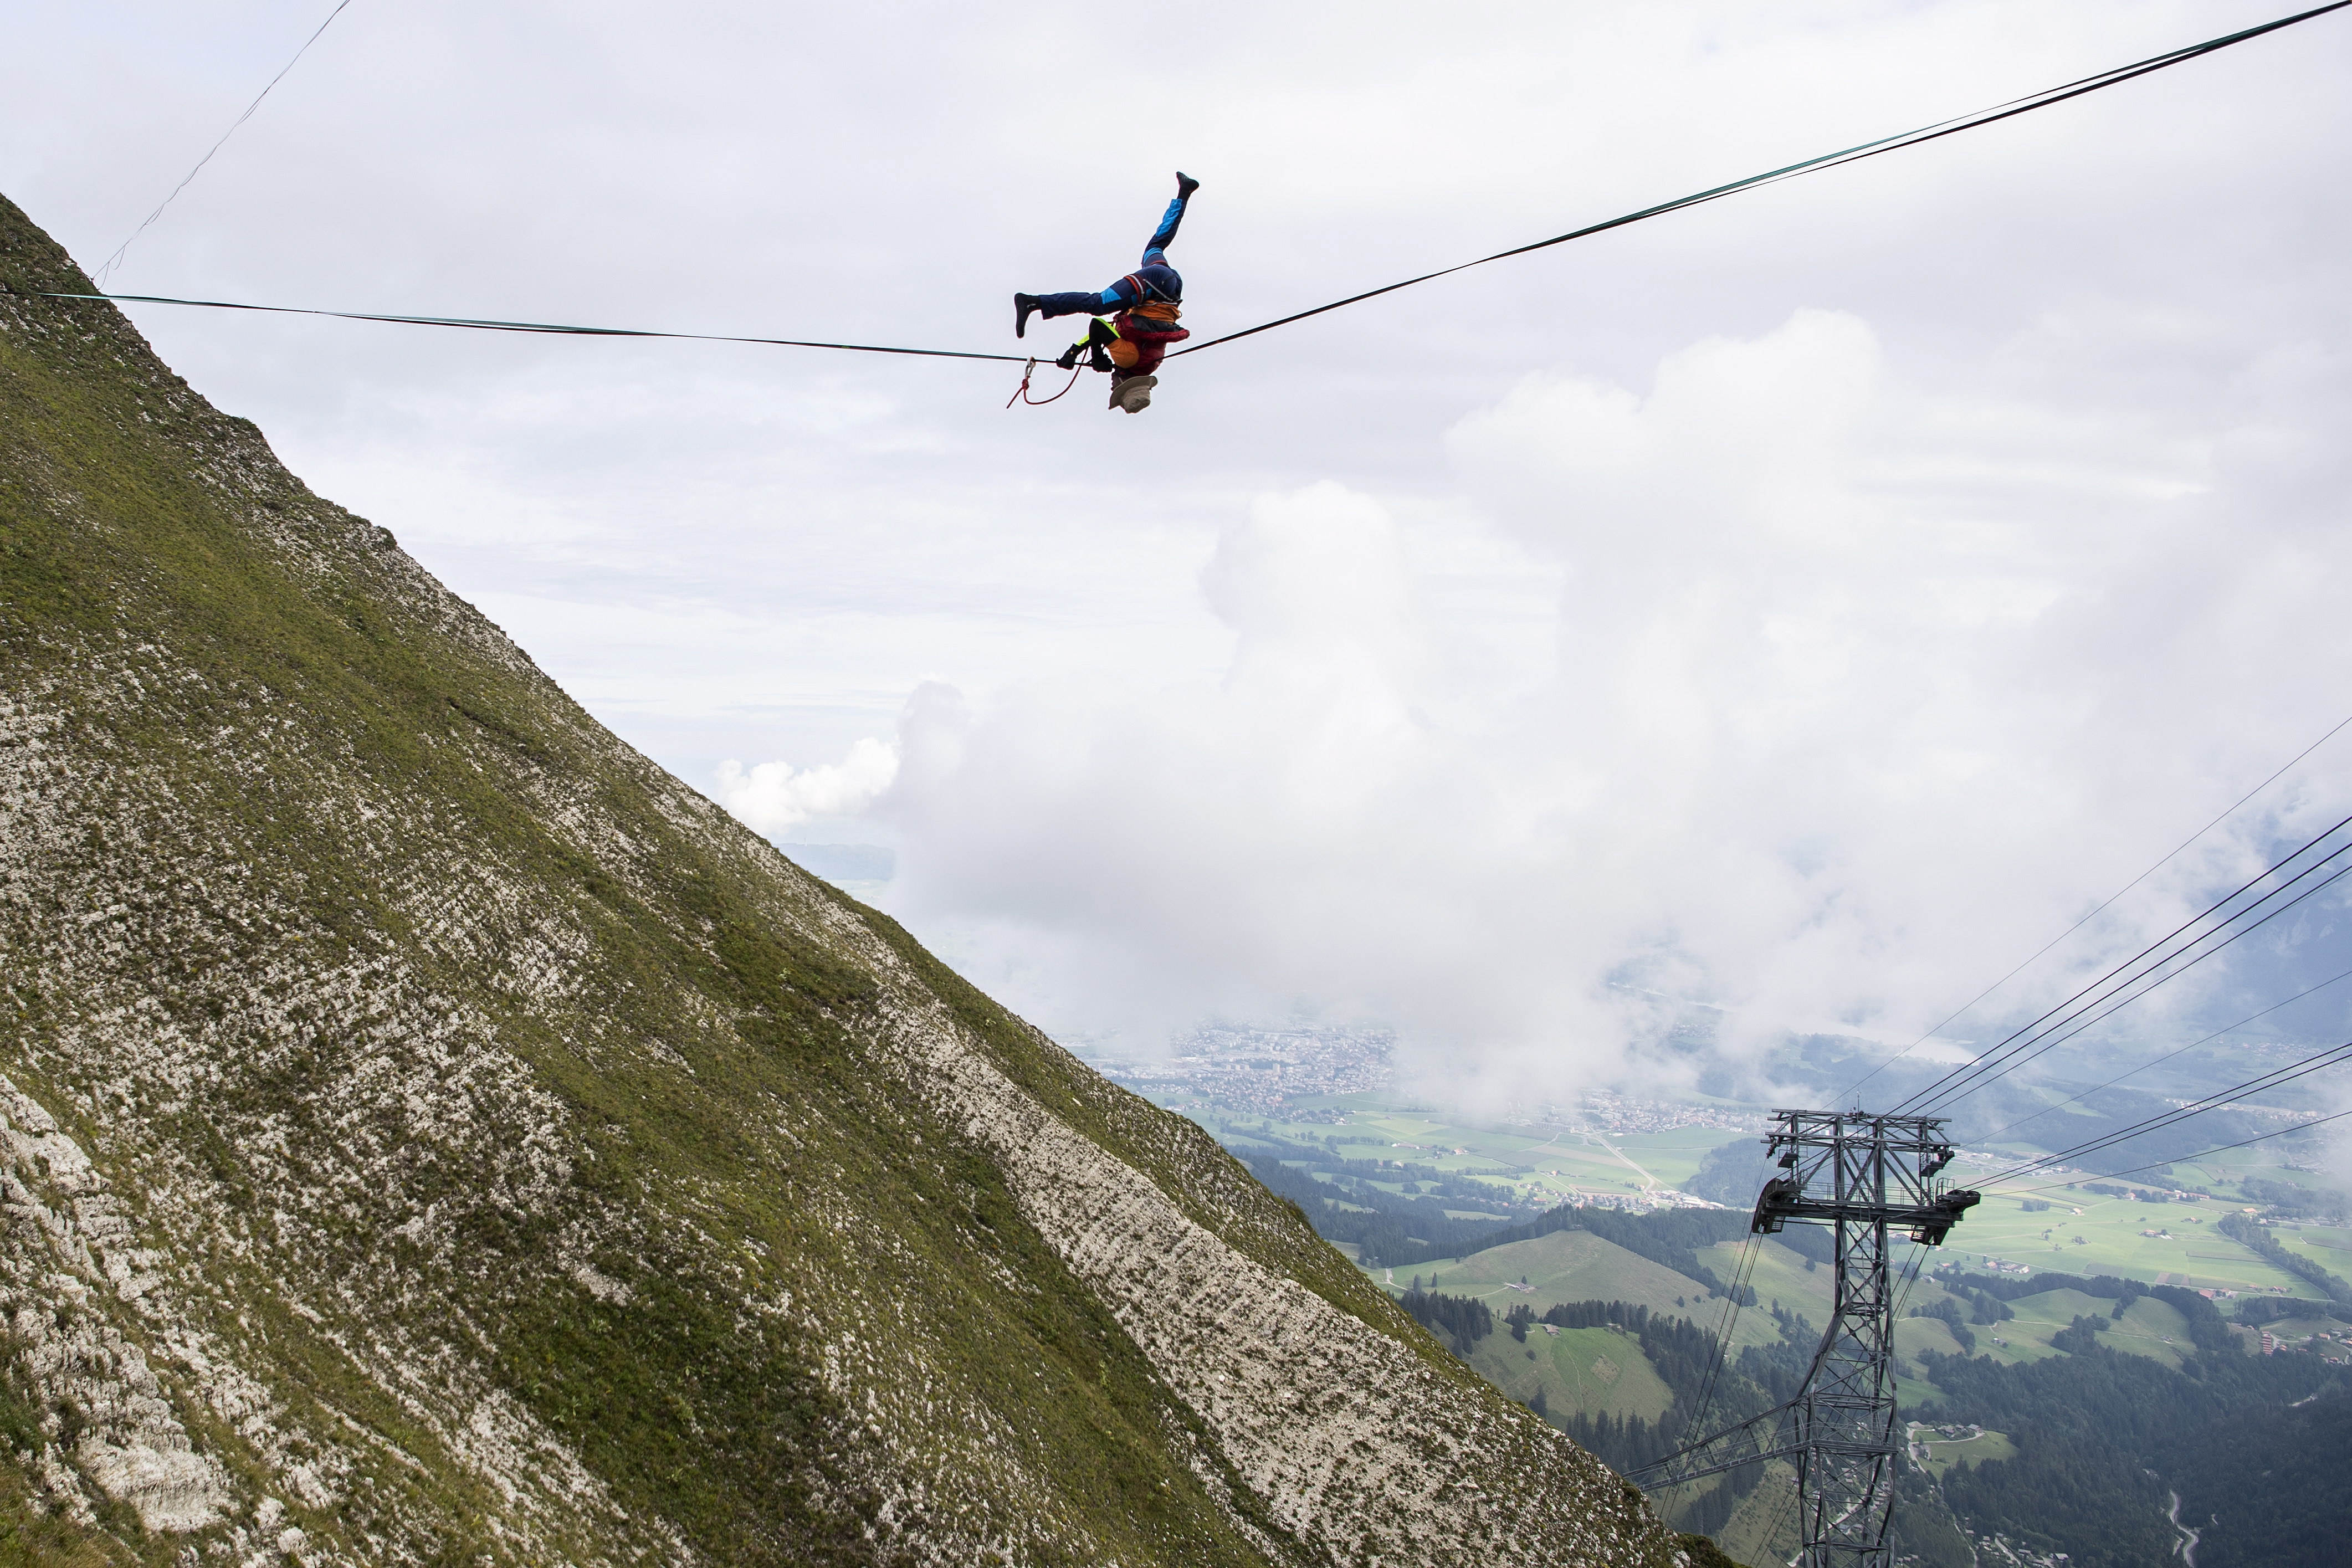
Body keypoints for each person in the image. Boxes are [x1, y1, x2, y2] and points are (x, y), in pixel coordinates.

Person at [1015, 172, 1198, 412]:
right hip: (1157, 288)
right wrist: (1098, 356)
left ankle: (1184, 193)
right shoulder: (1127, 361)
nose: (1113, 384)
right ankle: (1033, 303)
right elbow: (1098, 326)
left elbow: (1111, 332)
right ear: (1125, 381)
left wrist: (1074, 351)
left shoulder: (1146, 364)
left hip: (1170, 287)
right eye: (1117, 387)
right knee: (1098, 304)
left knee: (1155, 246)